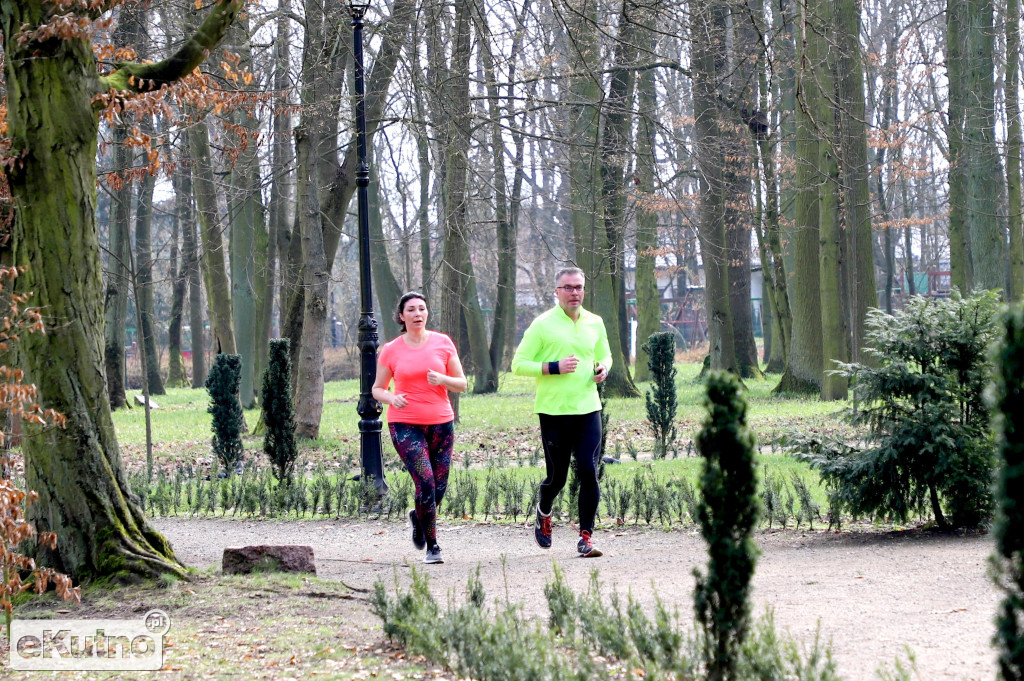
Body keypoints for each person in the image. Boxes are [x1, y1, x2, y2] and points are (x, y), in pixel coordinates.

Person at [511, 267, 610, 558]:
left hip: (588, 407)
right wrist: (552, 367)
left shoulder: (595, 322)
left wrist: (604, 368)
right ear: (557, 292)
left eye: (578, 287)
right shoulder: (542, 325)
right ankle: (543, 511)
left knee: (590, 471)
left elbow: (604, 353)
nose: (574, 292)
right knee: (558, 478)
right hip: (553, 412)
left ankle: (586, 537)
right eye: (567, 287)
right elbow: (518, 363)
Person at [372, 292, 467, 564]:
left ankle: (418, 516)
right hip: (405, 423)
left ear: (427, 313)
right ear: (401, 316)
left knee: (439, 488)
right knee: (425, 482)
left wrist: (442, 378)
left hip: (441, 423)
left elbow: (462, 384)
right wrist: (392, 398)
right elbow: (377, 389)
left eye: (421, 309)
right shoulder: (391, 349)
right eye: (411, 310)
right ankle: (433, 546)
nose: (417, 314)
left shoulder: (443, 343)